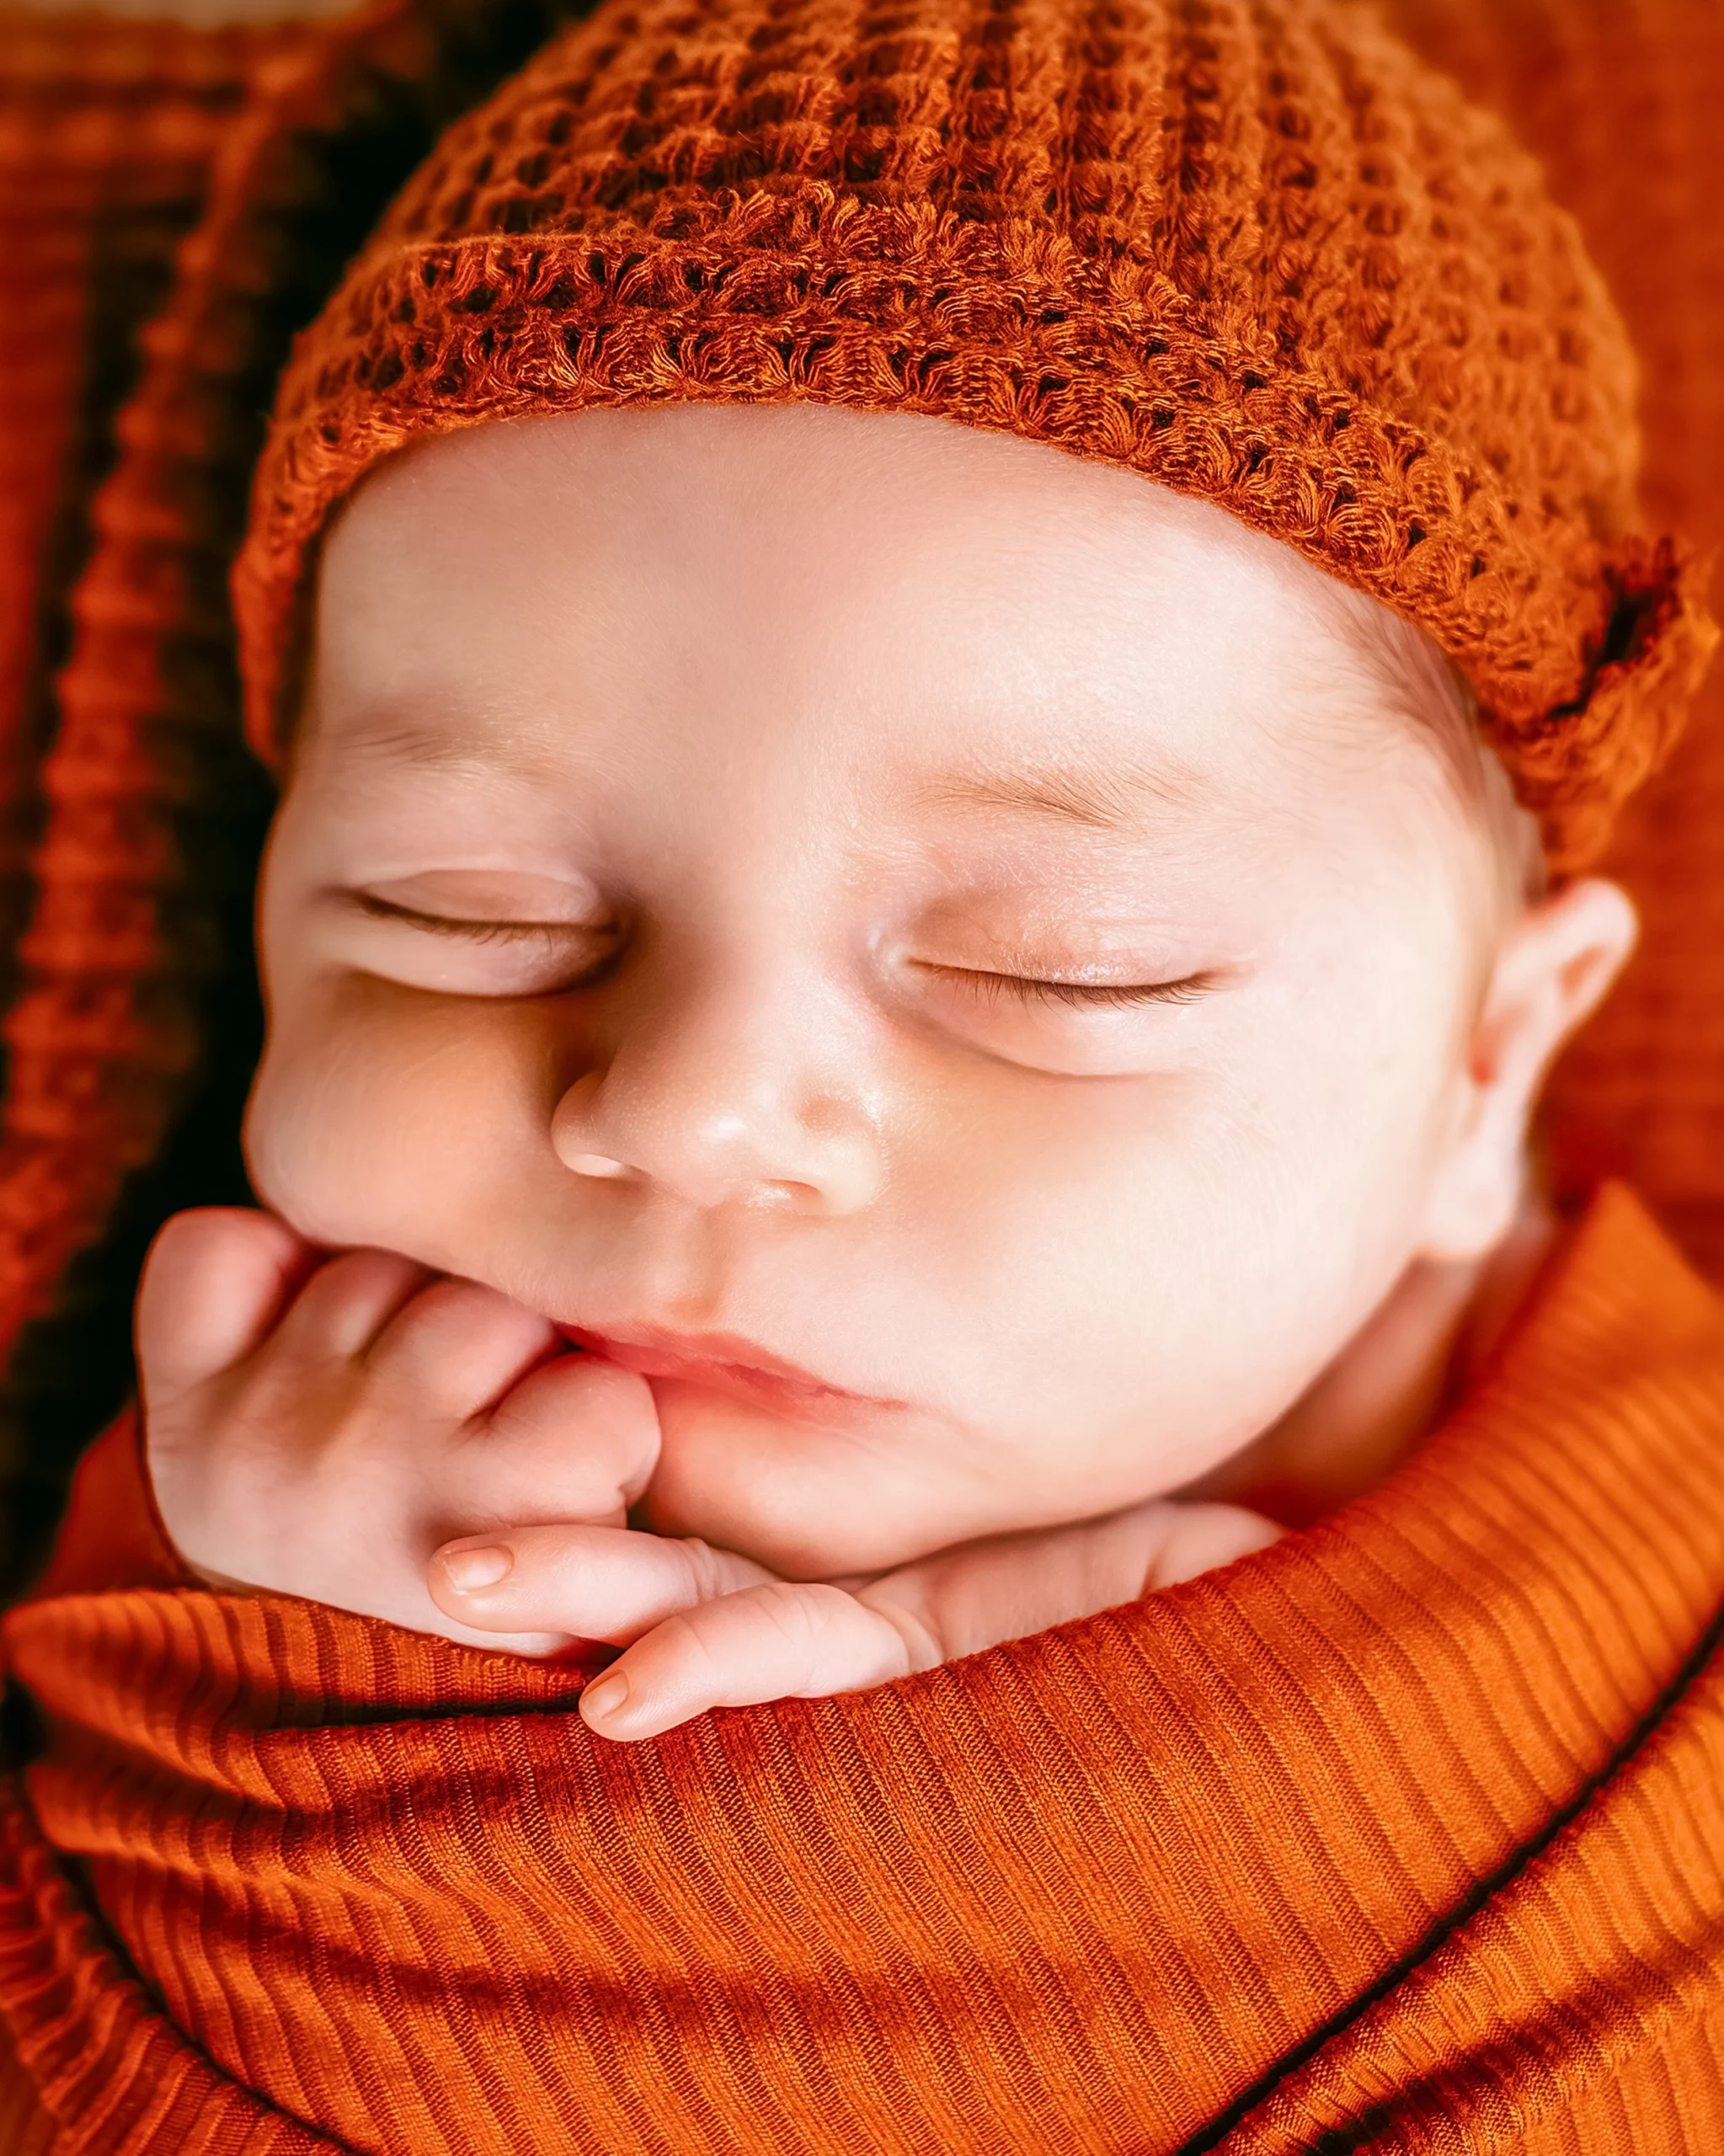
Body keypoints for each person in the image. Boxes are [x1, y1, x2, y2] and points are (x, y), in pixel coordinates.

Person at [4, 0, 1724, 2148]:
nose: (689, 1107)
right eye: (467, 915)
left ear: (1486, 1072)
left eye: (1051, 971)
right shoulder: (222, 1522)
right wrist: (300, 1677)